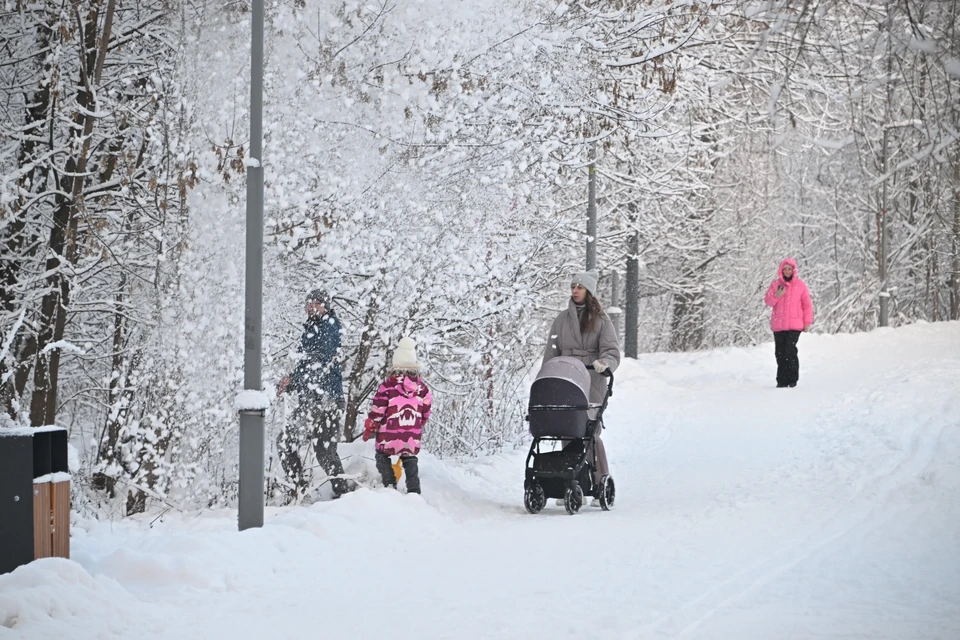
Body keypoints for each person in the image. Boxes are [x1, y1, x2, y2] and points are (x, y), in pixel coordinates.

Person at [542, 269, 620, 495]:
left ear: (589, 292)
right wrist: (546, 379)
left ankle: (599, 481)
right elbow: (551, 353)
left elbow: (612, 351)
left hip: (592, 379)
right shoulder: (561, 320)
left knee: (588, 432)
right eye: (573, 287)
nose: (575, 291)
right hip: (566, 377)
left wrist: (604, 363)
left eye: (580, 287)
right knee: (566, 429)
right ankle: (568, 481)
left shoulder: (602, 322)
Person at [276, 289, 351, 498]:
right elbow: (306, 366)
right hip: (313, 399)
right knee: (296, 444)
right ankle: (301, 490)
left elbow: (319, 360)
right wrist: (289, 384)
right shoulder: (311, 329)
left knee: (317, 449)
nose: (310, 307)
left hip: (328, 399)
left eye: (315, 303)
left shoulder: (329, 326)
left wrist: (293, 379)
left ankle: (339, 494)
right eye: (307, 303)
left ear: (324, 306)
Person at [362, 337, 433, 494]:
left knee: (382, 456)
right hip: (412, 434)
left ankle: (389, 484)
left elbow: (378, 410)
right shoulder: (422, 389)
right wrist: (420, 422)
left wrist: (371, 425)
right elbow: (426, 409)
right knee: (410, 458)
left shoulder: (387, 386)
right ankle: (414, 490)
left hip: (389, 433)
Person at [763, 258, 814, 388]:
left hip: (794, 325)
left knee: (789, 350)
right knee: (779, 352)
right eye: (785, 269)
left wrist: (807, 322)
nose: (787, 271)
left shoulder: (800, 285)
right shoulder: (775, 284)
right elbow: (768, 302)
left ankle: (792, 379)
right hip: (778, 325)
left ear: (793, 270)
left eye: (789, 269)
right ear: (781, 270)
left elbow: (807, 305)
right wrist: (776, 295)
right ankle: (781, 380)